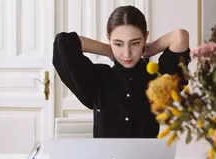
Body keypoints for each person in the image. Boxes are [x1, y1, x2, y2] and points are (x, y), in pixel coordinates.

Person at [53, 5, 191, 138]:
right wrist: (108, 50)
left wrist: (149, 48)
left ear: (145, 37)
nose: (127, 54)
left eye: (135, 43)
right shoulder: (98, 79)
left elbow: (180, 36)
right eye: (118, 44)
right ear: (109, 39)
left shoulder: (158, 80)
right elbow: (63, 42)